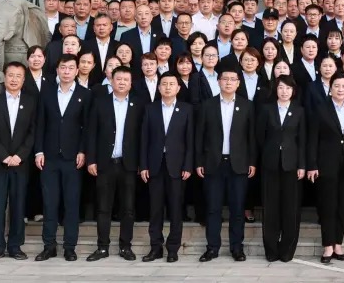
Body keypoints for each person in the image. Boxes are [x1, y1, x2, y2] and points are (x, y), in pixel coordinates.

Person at [33, 54, 91, 261]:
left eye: (70, 68)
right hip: (49, 158)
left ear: (77, 71)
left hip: (73, 158)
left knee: (71, 204)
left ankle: (69, 247)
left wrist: (83, 151)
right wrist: (39, 151)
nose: (66, 71)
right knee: (50, 203)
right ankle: (49, 246)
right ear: (57, 70)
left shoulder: (85, 95)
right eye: (63, 67)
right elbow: (39, 124)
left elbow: (88, 127)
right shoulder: (46, 93)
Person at [196, 68, 257, 262]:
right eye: (225, 79)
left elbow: (251, 137)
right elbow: (200, 136)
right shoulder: (207, 105)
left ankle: (236, 248)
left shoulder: (247, 106)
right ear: (219, 82)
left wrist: (252, 161)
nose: (228, 82)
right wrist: (199, 161)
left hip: (238, 164)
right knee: (213, 208)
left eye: (232, 79)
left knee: (237, 209)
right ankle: (212, 248)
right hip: (213, 163)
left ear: (238, 83)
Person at [85, 66, 145, 262]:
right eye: (118, 79)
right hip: (105, 163)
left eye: (126, 80)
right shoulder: (100, 103)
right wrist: (91, 159)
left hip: (129, 164)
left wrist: (141, 163)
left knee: (128, 208)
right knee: (103, 207)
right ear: (111, 81)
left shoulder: (139, 104)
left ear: (131, 83)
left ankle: (125, 247)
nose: (121, 82)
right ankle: (102, 247)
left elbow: (143, 136)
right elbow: (91, 133)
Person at [0, 61, 38, 262]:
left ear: (23, 80)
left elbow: (33, 132)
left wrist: (20, 155)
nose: (14, 79)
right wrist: (3, 156)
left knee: (18, 206)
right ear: (4, 78)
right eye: (11, 75)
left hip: (20, 165)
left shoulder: (31, 103)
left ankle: (15, 246)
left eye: (18, 76)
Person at [307, 73, 344, 264]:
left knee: (342, 207)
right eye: (336, 86)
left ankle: (338, 243)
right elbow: (312, 139)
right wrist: (312, 164)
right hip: (326, 165)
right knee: (328, 206)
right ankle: (327, 245)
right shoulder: (320, 109)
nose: (340, 89)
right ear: (330, 89)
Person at [139, 71, 194, 263]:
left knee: (175, 209)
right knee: (155, 209)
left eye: (172, 84)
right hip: (155, 165)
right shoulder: (150, 109)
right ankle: (156, 247)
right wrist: (143, 165)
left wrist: (188, 165)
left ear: (178, 88)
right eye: (164, 84)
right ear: (159, 87)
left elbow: (190, 140)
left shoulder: (186, 109)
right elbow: (144, 139)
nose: (168, 87)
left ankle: (173, 248)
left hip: (177, 166)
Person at [256, 75, 305, 263]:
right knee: (270, 207)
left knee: (290, 207)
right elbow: (260, 136)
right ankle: (271, 249)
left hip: (292, 165)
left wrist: (302, 164)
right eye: (281, 87)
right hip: (270, 163)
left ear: (293, 91)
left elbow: (302, 140)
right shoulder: (266, 109)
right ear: (275, 89)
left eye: (288, 88)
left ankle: (287, 249)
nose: (284, 92)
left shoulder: (299, 111)